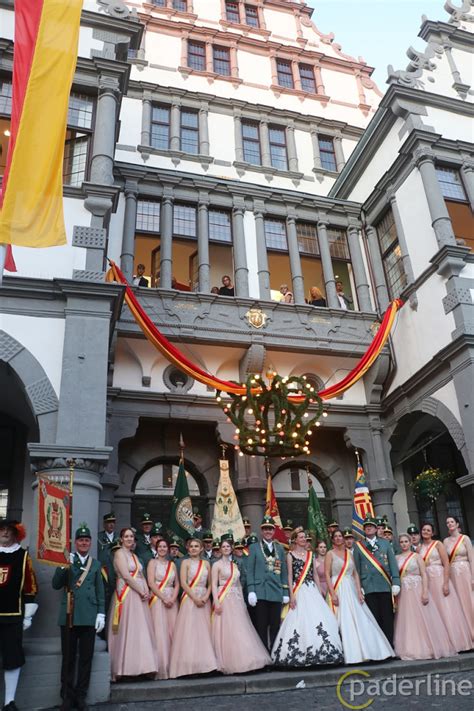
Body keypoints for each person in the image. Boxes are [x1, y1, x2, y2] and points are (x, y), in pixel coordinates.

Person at [272, 528, 343, 667]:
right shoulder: (290, 555)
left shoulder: (311, 555)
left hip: (311, 589)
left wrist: (319, 591)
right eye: (301, 537)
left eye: (305, 537)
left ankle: (322, 652)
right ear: (295, 539)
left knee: (318, 618)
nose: (304, 539)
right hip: (298, 589)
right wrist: (292, 595)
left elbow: (315, 574)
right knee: (299, 620)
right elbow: (290, 576)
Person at [52, 523, 105, 711]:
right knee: (68, 659)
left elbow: (100, 590)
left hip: (89, 616)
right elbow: (56, 585)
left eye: (86, 540)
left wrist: (101, 613)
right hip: (69, 615)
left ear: (90, 543)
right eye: (81, 540)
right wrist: (62, 565)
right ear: (75, 542)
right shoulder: (67, 560)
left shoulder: (96, 564)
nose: (84, 543)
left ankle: (81, 696)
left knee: (85, 658)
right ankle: (67, 696)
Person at [326, 530, 394, 664]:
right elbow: (327, 575)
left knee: (362, 618)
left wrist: (358, 590)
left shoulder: (349, 554)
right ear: (333, 540)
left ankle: (369, 651)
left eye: (341, 536)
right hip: (338, 587)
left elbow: (355, 573)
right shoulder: (330, 554)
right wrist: (333, 593)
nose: (339, 539)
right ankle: (348, 653)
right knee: (343, 619)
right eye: (336, 537)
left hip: (351, 588)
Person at [211, 534, 271, 673]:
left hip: (236, 599)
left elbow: (238, 583)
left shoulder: (234, 565)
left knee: (240, 629)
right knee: (227, 629)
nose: (226, 548)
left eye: (228, 546)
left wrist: (242, 601)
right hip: (223, 597)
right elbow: (214, 584)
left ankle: (247, 659)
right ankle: (227, 660)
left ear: (231, 548)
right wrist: (216, 602)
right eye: (223, 546)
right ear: (220, 549)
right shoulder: (216, 565)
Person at [394, 534, 456, 660]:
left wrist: (425, 592)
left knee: (421, 618)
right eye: (401, 542)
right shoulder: (396, 558)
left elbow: (424, 575)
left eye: (406, 541)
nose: (404, 544)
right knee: (407, 620)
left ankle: (427, 647)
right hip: (404, 593)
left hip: (417, 589)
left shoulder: (417, 556)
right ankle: (410, 647)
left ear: (411, 542)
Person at [107, 528, 158, 681]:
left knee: (139, 631)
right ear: (121, 539)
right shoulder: (119, 554)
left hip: (139, 597)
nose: (129, 539)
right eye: (126, 536)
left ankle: (142, 667)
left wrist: (147, 590)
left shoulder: (134, 556)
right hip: (127, 595)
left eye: (131, 536)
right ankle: (125, 668)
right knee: (127, 630)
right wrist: (141, 591)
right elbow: (127, 577)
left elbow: (140, 575)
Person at [0, 519, 38, 711]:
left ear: (16, 534)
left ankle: (9, 702)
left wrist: (28, 614)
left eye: (9, 531)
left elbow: (30, 586)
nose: (5, 533)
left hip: (13, 616)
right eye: (2, 530)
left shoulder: (23, 556)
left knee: (12, 658)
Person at [169, 537, 217, 677]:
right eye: (191, 546)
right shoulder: (185, 563)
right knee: (190, 632)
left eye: (197, 546)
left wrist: (206, 597)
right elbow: (183, 583)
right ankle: (190, 666)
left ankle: (206, 665)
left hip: (204, 599)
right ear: (188, 549)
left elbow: (210, 583)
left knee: (205, 632)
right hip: (190, 599)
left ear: (202, 548)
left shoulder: (207, 564)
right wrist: (195, 598)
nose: (194, 548)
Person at [419, 523, 471, 652]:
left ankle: (457, 642)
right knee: (435, 612)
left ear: (433, 533)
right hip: (428, 582)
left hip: (440, 578)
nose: (425, 532)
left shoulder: (438, 544)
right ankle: (441, 642)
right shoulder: (419, 548)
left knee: (447, 609)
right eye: (424, 530)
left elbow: (446, 563)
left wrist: (446, 582)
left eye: (428, 530)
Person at [352, 514, 400, 647]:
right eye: (366, 527)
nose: (368, 528)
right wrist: (359, 586)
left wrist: (396, 582)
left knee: (387, 618)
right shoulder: (359, 546)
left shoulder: (385, 544)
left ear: (375, 528)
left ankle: (390, 646)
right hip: (368, 586)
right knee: (374, 618)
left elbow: (392, 564)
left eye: (371, 526)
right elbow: (356, 568)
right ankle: (379, 648)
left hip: (384, 585)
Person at [246, 516, 289, 651]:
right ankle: (264, 654)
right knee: (262, 625)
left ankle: (275, 653)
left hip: (276, 591)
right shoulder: (254, 548)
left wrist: (285, 591)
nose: (268, 531)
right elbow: (250, 571)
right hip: (260, 592)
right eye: (265, 529)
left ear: (274, 531)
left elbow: (282, 571)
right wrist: (251, 590)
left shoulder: (280, 549)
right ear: (261, 531)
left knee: (275, 625)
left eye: (270, 529)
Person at [147, 539, 179, 679]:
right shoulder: (152, 563)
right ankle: (161, 667)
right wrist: (163, 598)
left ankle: (175, 667)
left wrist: (172, 598)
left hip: (172, 600)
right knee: (160, 633)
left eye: (165, 546)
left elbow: (177, 584)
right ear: (156, 547)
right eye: (160, 546)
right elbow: (151, 583)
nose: (162, 548)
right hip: (158, 600)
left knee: (174, 632)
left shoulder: (172, 564)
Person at [443, 515, 474, 643]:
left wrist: (473, 577)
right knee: (458, 603)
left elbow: (472, 558)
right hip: (453, 574)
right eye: (447, 522)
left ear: (457, 524)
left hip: (466, 571)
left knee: (470, 601)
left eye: (451, 521)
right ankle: (465, 636)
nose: (449, 524)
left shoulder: (464, 538)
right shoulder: (445, 541)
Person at [97, 512, 119, 630]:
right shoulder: (98, 537)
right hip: (103, 574)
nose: (111, 525)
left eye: (113, 522)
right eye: (108, 523)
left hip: (116, 574)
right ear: (104, 524)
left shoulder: (119, 538)